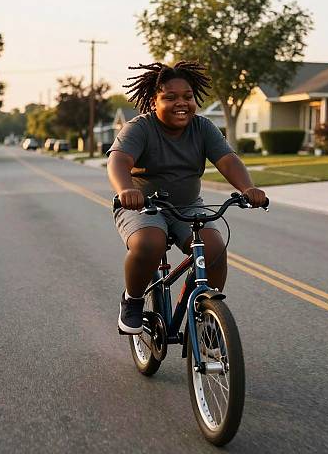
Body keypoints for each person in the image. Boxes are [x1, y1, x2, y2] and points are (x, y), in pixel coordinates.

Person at [107, 61, 267, 334]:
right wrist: (126, 190)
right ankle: (132, 300)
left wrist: (247, 188)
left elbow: (228, 160)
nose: (181, 103)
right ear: (154, 101)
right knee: (150, 243)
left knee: (214, 249)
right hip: (142, 205)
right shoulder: (139, 128)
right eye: (170, 97)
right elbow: (118, 161)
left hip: (188, 205)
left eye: (188, 96)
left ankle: (208, 316)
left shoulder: (202, 128)